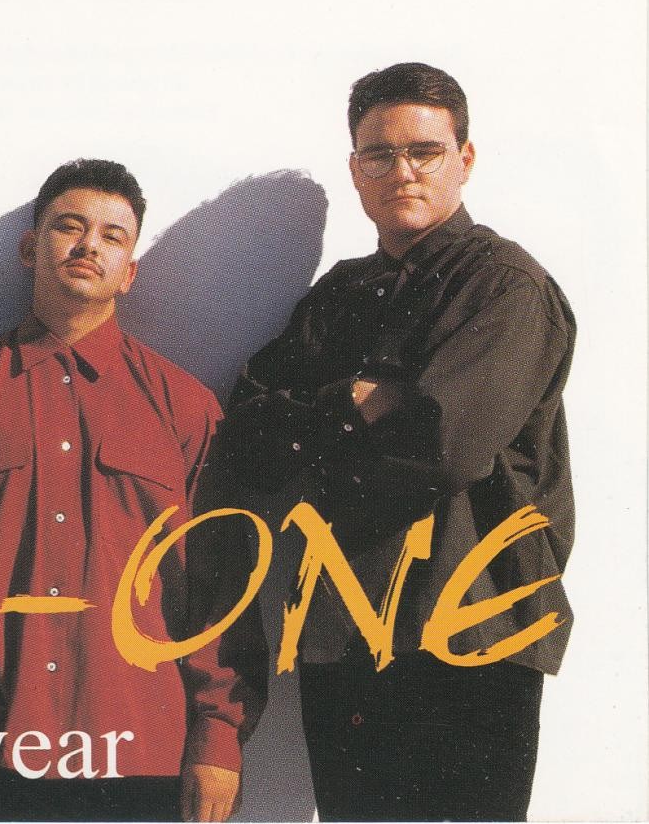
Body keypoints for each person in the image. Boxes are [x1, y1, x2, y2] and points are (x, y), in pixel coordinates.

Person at [208, 62, 575, 821]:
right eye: (380, 154)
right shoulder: (338, 296)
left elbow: (440, 449)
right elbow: (243, 437)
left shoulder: (504, 285)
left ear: (464, 158)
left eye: (424, 151)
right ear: (356, 170)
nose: (401, 171)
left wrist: (320, 430)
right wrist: (353, 402)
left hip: (468, 632)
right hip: (341, 637)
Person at [0, 159, 262, 823]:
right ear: (30, 247)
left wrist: (218, 737)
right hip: (5, 756)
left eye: (112, 236)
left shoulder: (184, 408)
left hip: (147, 758)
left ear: (129, 272)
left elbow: (221, 590)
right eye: (70, 226)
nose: (89, 244)